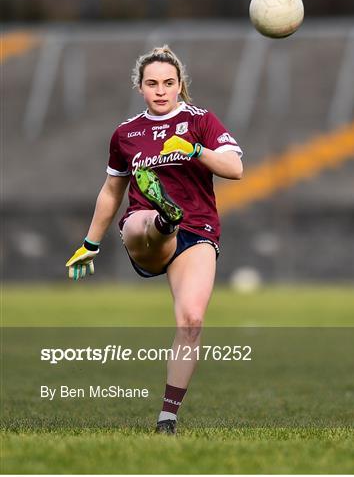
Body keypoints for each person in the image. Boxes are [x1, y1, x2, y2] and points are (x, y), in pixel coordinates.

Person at [65, 46, 243, 433]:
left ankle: (167, 419)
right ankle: (163, 219)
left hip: (197, 231)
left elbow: (235, 167)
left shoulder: (201, 121)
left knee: (192, 322)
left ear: (181, 85)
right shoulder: (126, 133)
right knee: (141, 220)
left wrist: (197, 150)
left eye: (168, 83)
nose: (160, 91)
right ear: (140, 87)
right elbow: (112, 191)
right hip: (143, 234)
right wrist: (90, 244)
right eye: (151, 84)